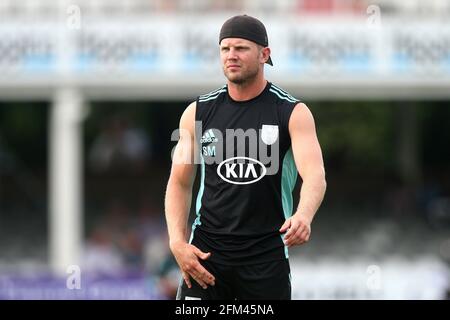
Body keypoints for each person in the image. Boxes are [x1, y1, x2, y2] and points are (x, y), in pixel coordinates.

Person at [165, 14, 326, 300]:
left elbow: (314, 176)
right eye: (225, 49)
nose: (231, 56)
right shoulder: (197, 113)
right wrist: (177, 242)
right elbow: (179, 183)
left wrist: (303, 216)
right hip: (206, 255)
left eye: (241, 48)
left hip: (266, 257)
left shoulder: (291, 112)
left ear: (265, 54)